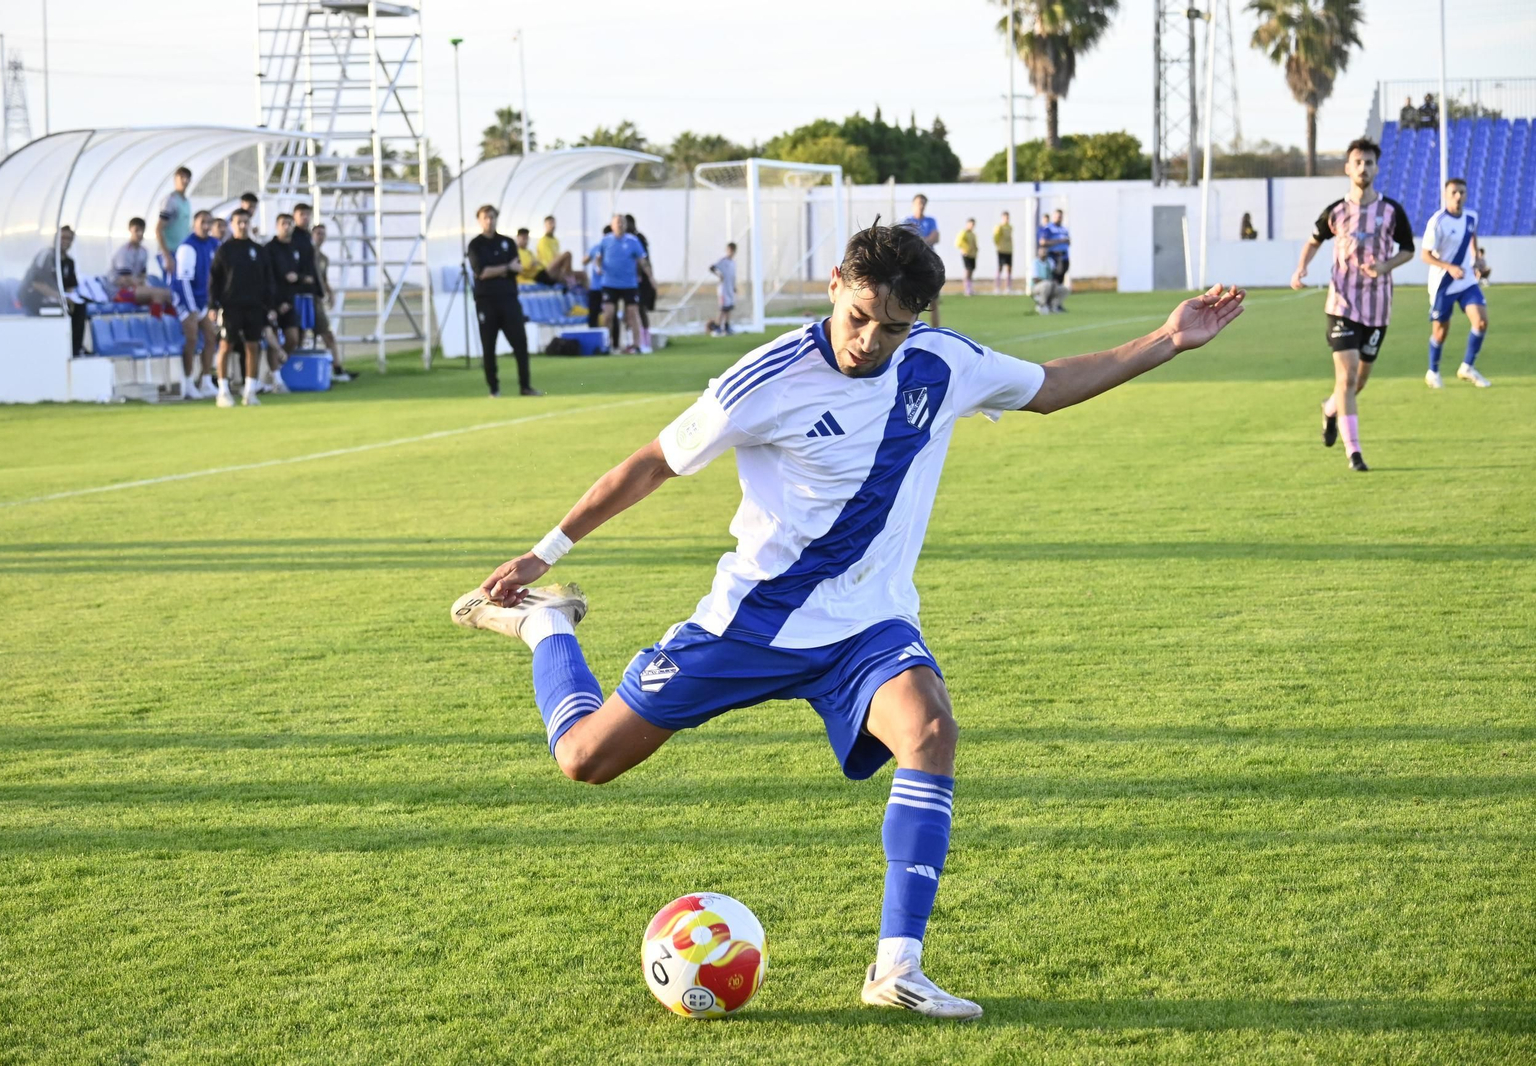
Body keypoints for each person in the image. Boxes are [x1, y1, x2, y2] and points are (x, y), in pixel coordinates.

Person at [451, 219, 1245, 1021]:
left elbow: (1046, 384)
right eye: (859, 315)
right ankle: (548, 630)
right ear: (836, 283)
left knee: (931, 730)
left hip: (867, 625)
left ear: (920, 321)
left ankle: (897, 968)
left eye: (893, 327)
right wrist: (544, 554)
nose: (869, 339)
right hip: (751, 624)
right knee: (586, 760)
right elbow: (653, 462)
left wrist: (1166, 341)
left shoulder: (943, 363)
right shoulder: (766, 378)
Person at [1291, 137, 1414, 472]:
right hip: (1342, 305)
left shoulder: (1391, 211)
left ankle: (1331, 409)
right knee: (1345, 379)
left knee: (1358, 382)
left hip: (1377, 308)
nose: (1363, 168)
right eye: (1357, 162)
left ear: (1377, 167)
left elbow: (1408, 249)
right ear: (1348, 168)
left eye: (1369, 162)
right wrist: (1302, 266)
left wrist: (1385, 267)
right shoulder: (1336, 211)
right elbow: (1314, 240)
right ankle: (1354, 452)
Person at [1421, 177, 1491, 389]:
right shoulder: (1438, 221)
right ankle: (1433, 371)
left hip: (1467, 280)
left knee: (1481, 321)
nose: (1458, 196)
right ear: (1446, 195)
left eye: (1462, 192)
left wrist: (1478, 262)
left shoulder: (1471, 217)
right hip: (1443, 283)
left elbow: (1471, 239)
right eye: (1454, 192)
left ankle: (1467, 367)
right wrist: (1448, 266)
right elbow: (1425, 255)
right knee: (1441, 332)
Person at [466, 204, 539, 397]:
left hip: (509, 300)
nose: (489, 221)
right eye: (485, 218)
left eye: (492, 217)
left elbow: (518, 267)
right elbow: (482, 272)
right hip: (486, 302)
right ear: (480, 221)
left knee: (520, 343)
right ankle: (494, 388)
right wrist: (506, 268)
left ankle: (525, 386)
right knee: (489, 346)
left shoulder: (507, 242)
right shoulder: (475, 245)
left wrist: (500, 269)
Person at [208, 208, 277, 407]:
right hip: (231, 306)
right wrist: (213, 305)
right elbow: (215, 279)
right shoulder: (225, 250)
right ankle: (222, 391)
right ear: (232, 224)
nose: (242, 225)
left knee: (253, 346)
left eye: (245, 221)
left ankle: (250, 391)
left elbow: (268, 280)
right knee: (226, 346)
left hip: (254, 306)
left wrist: (270, 305)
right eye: (238, 222)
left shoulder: (258, 250)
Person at [171, 210, 220, 400]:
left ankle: (206, 380)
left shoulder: (213, 244)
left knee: (210, 338)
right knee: (191, 340)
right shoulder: (187, 247)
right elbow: (183, 281)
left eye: (210, 222)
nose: (206, 226)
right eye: (203, 222)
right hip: (185, 300)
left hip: (201, 301)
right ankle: (188, 382)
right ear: (195, 224)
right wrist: (191, 308)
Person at [18, 225, 89, 356]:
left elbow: (70, 287)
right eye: (63, 238)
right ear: (56, 239)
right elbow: (37, 283)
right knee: (60, 308)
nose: (66, 241)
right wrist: (61, 297)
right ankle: (53, 348)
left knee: (79, 306)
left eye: (69, 239)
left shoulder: (69, 262)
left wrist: (71, 298)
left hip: (55, 299)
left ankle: (75, 348)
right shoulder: (47, 255)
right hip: (34, 298)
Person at [596, 214, 653, 355]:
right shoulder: (605, 241)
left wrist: (650, 277)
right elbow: (598, 257)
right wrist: (598, 267)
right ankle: (607, 344)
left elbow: (642, 261)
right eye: (617, 223)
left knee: (633, 313)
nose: (620, 225)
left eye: (622, 223)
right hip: (610, 283)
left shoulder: (633, 241)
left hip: (629, 284)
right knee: (608, 314)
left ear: (625, 225)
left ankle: (636, 345)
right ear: (612, 225)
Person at [310, 223, 356, 382]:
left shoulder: (323, 258)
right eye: (317, 233)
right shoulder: (305, 255)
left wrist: (330, 293)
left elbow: (323, 278)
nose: (320, 236)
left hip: (317, 300)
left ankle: (337, 368)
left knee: (327, 334)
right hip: (306, 299)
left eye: (322, 233)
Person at [106, 218, 172, 307]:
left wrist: (140, 283)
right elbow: (125, 279)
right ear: (130, 230)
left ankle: (165, 319)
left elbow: (142, 276)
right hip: (119, 293)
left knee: (167, 294)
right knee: (157, 294)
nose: (140, 234)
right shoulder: (124, 251)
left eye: (142, 230)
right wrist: (140, 284)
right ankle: (156, 319)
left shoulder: (143, 251)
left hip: (134, 289)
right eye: (137, 230)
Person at [266, 213, 306, 352]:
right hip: (272, 301)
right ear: (277, 226)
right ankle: (273, 370)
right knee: (273, 338)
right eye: (283, 223)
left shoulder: (295, 248)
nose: (287, 227)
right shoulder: (269, 249)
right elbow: (266, 278)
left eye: (290, 224)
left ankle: (281, 366)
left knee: (293, 339)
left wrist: (298, 277)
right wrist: (274, 304)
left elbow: (304, 273)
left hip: (289, 301)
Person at [901, 194, 940, 326]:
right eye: (919, 203)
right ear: (913, 205)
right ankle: (913, 328)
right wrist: (925, 241)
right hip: (913, 264)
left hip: (929, 263)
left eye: (923, 203)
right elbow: (907, 240)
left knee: (933, 300)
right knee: (912, 301)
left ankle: (936, 330)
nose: (921, 206)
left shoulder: (931, 221)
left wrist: (919, 242)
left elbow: (936, 237)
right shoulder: (907, 222)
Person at [290, 203, 325, 345]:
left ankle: (300, 356)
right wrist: (301, 278)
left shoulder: (307, 236)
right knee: (296, 327)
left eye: (307, 214)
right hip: (297, 290)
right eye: (301, 214)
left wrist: (319, 288)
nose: (305, 217)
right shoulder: (293, 237)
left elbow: (313, 264)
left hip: (309, 290)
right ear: (295, 216)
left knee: (305, 327)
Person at [625, 214, 656, 350]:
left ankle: (644, 340)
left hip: (640, 280)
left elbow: (640, 260)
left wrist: (642, 275)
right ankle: (639, 339)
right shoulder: (632, 239)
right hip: (633, 279)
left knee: (639, 308)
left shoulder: (636, 239)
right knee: (633, 309)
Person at [155, 166, 192, 278]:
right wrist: (167, 256)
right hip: (170, 252)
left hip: (180, 252)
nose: (184, 180)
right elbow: (159, 229)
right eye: (182, 177)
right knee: (170, 287)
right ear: (175, 179)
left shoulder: (186, 201)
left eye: (187, 178)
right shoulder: (170, 200)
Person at [536, 215, 580, 287]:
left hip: (557, 270)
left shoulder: (556, 240)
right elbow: (549, 261)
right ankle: (570, 282)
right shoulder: (543, 241)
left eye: (554, 223)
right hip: (547, 271)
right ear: (545, 225)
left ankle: (589, 294)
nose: (553, 226)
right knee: (567, 254)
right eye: (550, 223)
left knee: (583, 275)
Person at [709, 242, 738, 336]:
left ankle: (726, 327)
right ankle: (717, 327)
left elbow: (732, 276)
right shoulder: (723, 261)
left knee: (729, 308)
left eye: (733, 251)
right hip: (723, 289)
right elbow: (712, 267)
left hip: (729, 289)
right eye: (729, 250)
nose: (731, 252)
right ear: (727, 250)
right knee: (722, 309)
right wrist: (719, 275)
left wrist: (734, 287)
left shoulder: (733, 263)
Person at [585, 224, 608, 329]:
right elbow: (585, 261)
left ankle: (610, 340)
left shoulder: (613, 249)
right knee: (595, 315)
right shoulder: (598, 248)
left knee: (607, 315)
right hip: (598, 287)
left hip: (606, 287)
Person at [1040, 209, 1070, 286]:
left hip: (1064, 257)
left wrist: (1067, 241)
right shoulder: (1049, 228)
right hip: (1054, 256)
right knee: (1054, 278)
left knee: (1061, 278)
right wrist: (1059, 241)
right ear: (1053, 217)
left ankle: (1057, 294)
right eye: (1057, 216)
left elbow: (1068, 242)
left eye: (1060, 216)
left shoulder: (1064, 229)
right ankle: (1052, 294)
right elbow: (1043, 242)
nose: (1059, 218)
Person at [1030, 246, 1064, 315]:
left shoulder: (1049, 261)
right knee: (1047, 284)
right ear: (1038, 252)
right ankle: (1042, 304)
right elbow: (1035, 279)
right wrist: (1049, 282)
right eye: (1042, 250)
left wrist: (1060, 258)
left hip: (1048, 285)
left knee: (1063, 289)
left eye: (1045, 250)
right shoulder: (1035, 263)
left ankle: (1054, 306)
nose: (1044, 252)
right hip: (1036, 287)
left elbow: (1058, 272)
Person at [954, 219, 978, 297]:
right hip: (966, 254)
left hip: (972, 255)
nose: (972, 226)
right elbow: (958, 242)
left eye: (973, 225)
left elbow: (974, 244)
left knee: (971, 271)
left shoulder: (972, 234)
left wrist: (976, 250)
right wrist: (964, 249)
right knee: (967, 271)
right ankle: (966, 289)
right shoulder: (963, 233)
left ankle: (970, 288)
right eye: (971, 224)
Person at [992, 211, 1013, 295]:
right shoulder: (999, 227)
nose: (1006, 219)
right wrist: (999, 245)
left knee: (1009, 268)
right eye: (1005, 217)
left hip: (1009, 250)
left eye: (1008, 217)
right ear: (1002, 218)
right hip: (1001, 250)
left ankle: (1008, 287)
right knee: (1000, 268)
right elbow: (995, 237)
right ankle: (997, 287)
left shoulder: (1010, 227)